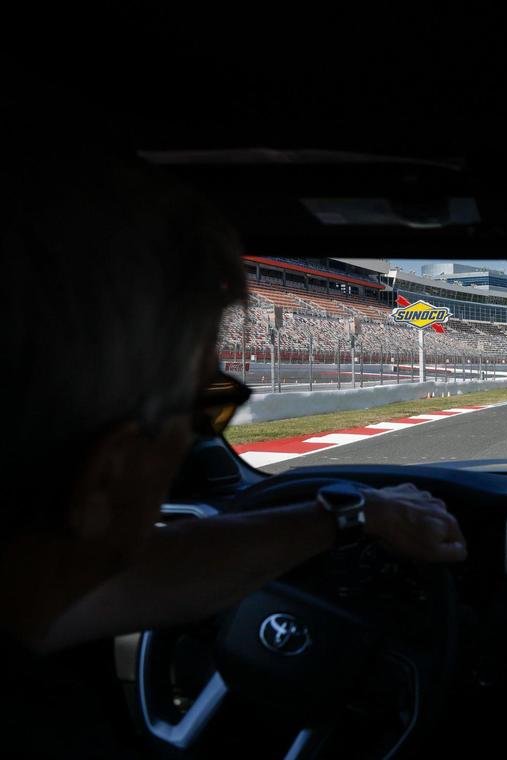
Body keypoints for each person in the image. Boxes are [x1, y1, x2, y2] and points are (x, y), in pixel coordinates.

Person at [0, 146, 467, 756]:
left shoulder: (28, 575)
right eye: (203, 415)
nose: (208, 430)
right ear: (107, 475)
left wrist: (349, 516)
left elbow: (136, 579)